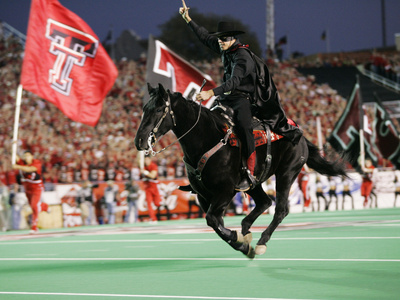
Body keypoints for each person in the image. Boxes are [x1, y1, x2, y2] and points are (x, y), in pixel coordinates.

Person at [179, 0, 302, 191]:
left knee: (244, 128)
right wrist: (188, 20)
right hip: (225, 98)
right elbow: (204, 37)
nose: (220, 41)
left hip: (242, 100)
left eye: (224, 39)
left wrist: (211, 92)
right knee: (207, 124)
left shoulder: (243, 56)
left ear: (233, 39)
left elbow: (234, 82)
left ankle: (250, 172)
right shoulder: (224, 46)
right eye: (219, 38)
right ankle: (201, 174)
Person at [12, 150, 50, 233]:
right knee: (33, 207)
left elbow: (31, 169)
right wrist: (13, 147)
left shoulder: (36, 162)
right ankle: (44, 207)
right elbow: (14, 155)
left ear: (32, 156)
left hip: (37, 188)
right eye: (25, 156)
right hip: (27, 189)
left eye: (28, 156)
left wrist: (17, 167)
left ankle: (34, 227)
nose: (26, 158)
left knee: (34, 205)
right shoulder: (22, 162)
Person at [141, 156, 161, 223]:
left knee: (157, 203)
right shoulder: (142, 166)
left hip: (154, 186)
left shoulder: (153, 165)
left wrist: (145, 172)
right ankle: (153, 219)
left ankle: (161, 204)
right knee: (149, 203)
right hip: (147, 187)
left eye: (147, 160)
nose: (146, 161)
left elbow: (153, 176)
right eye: (145, 160)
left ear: (150, 160)